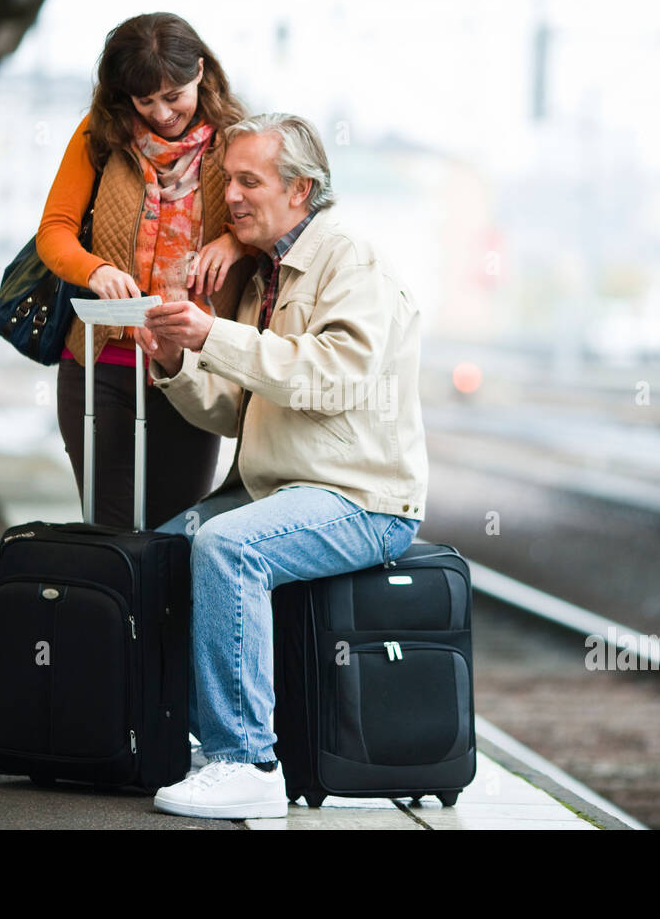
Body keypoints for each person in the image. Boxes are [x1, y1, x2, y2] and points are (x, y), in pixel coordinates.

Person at [138, 113, 429, 819]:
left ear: (299, 190)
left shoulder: (348, 260)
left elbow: (334, 378)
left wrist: (216, 333)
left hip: (362, 498)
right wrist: (178, 363)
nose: (231, 196)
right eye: (227, 179)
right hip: (282, 490)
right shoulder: (260, 275)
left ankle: (248, 762)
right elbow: (235, 410)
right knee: (156, 553)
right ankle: (172, 740)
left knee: (228, 546)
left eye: (249, 180)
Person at [35, 12, 255, 529]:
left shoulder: (239, 140)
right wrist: (93, 271)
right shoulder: (100, 134)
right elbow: (54, 231)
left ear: (201, 71)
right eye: (144, 101)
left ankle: (161, 616)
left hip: (192, 369)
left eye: (174, 95)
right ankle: (116, 613)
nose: (162, 113)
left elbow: (277, 223)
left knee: (175, 530)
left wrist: (233, 244)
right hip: (101, 367)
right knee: (108, 530)